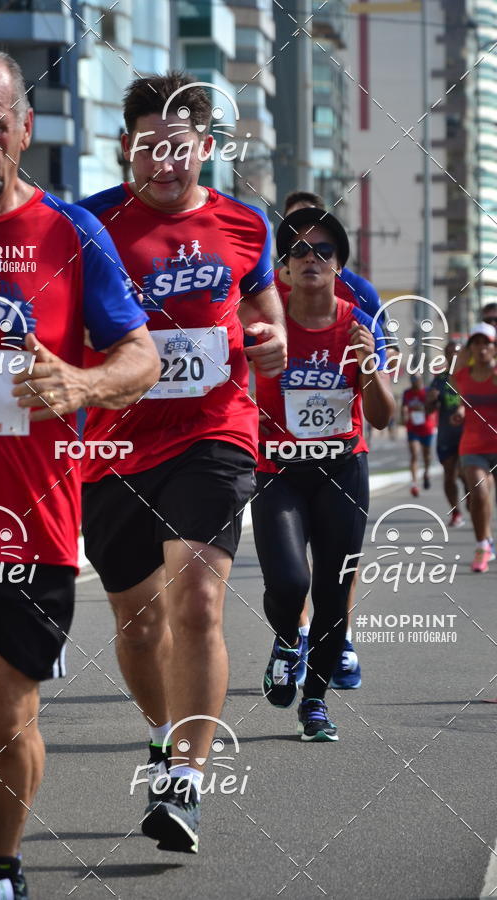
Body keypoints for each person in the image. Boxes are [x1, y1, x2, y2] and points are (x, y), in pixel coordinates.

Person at [0, 47, 158, 900]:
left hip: (31, 519)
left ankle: (2, 865)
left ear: (26, 131)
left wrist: (82, 383)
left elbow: (141, 355)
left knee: (6, 715)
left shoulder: (70, 234)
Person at [78, 72, 286, 852]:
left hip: (215, 432)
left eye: (180, 147)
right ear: (127, 146)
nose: (164, 162)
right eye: (147, 147)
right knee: (138, 628)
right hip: (111, 448)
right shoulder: (88, 222)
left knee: (197, 599)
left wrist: (275, 345)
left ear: (206, 146)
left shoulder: (245, 225)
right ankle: (165, 732)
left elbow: (266, 317)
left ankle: (187, 779)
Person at [252, 207, 394, 740]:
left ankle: (315, 705)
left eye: (323, 251)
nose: (311, 258)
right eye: (299, 251)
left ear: (339, 265)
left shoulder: (356, 325)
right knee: (290, 582)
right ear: (284, 267)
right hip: (279, 470)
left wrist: (370, 367)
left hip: (341, 468)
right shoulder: (264, 321)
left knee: (334, 594)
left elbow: (382, 415)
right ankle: (289, 636)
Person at [274, 191, 384, 322]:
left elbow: (386, 340)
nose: (310, 257)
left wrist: (368, 342)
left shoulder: (361, 291)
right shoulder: (262, 290)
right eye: (300, 246)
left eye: (323, 250)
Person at [452, 323, 497, 573]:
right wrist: (460, 411)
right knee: (478, 494)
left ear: (494, 348)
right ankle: (483, 545)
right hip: (473, 445)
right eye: (476, 343)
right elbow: (462, 403)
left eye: (486, 343)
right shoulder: (462, 376)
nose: (481, 348)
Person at [425, 339, 465, 526]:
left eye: (457, 352)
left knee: (467, 475)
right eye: (450, 352)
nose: (454, 356)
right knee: (450, 475)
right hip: (447, 434)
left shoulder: (471, 377)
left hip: (469, 435)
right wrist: (430, 401)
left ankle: (473, 500)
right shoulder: (440, 380)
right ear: (446, 355)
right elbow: (429, 410)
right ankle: (456, 511)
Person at [401, 374, 437, 496]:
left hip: (426, 427)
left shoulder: (427, 391)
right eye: (411, 379)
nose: (413, 382)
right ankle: (414, 484)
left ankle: (426, 473)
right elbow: (405, 406)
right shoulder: (407, 392)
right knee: (414, 454)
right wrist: (405, 414)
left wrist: (424, 407)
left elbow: (433, 406)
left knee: (426, 455)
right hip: (412, 428)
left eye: (415, 379)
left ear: (420, 380)